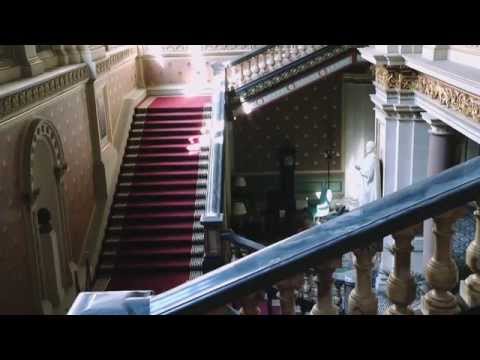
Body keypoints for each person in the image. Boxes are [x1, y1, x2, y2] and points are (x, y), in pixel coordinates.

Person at [355, 141, 381, 207]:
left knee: (366, 201)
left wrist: (360, 169)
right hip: (365, 184)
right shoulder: (368, 157)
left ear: (372, 148)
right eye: (366, 147)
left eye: (368, 147)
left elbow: (369, 173)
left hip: (369, 185)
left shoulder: (373, 158)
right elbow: (365, 167)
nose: (366, 148)